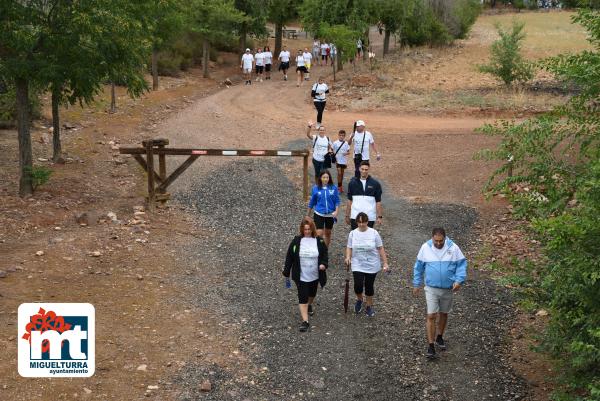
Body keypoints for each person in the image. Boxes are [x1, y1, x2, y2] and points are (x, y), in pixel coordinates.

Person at [413, 227, 467, 359]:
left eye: (440, 241)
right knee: (431, 315)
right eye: (435, 241)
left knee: (444, 313)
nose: (438, 243)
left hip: (448, 289)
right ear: (432, 238)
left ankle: (440, 337)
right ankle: (430, 346)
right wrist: (416, 283)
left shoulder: (453, 248)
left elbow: (462, 264)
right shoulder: (425, 247)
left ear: (445, 238)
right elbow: (418, 267)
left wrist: (459, 280)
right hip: (431, 288)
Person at [283, 217, 328, 332]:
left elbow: (324, 255)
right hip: (301, 276)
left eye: (309, 229)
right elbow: (289, 257)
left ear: (312, 229)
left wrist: (323, 264)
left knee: (312, 293)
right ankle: (305, 321)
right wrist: (287, 271)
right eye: (305, 229)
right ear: (302, 229)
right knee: (302, 296)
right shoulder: (296, 241)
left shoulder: (319, 241)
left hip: (315, 275)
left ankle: (309, 304)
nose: (307, 231)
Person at [345, 212, 389, 317]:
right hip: (357, 263)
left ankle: (369, 306)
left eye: (363, 222)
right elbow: (349, 247)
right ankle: (360, 299)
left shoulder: (374, 233)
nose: (361, 224)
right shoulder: (353, 233)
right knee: (358, 285)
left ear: (367, 222)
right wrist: (348, 257)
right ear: (356, 222)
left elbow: (380, 248)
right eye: (359, 222)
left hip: (372, 264)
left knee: (369, 286)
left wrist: (385, 262)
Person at [345, 161, 383, 230]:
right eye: (362, 169)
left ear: (369, 169)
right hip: (355, 216)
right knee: (356, 238)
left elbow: (378, 201)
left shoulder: (376, 184)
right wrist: (347, 215)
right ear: (359, 169)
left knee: (367, 238)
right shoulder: (352, 183)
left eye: (366, 169)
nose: (364, 171)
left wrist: (379, 216)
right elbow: (349, 200)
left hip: (370, 217)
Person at [307, 170, 340, 247]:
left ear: (329, 178)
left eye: (327, 177)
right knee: (319, 233)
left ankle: (325, 250)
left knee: (328, 233)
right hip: (319, 214)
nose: (325, 179)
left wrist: (336, 211)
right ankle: (319, 250)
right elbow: (312, 202)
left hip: (330, 214)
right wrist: (307, 215)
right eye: (324, 177)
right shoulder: (315, 188)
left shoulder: (334, 188)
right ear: (320, 178)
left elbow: (337, 200)